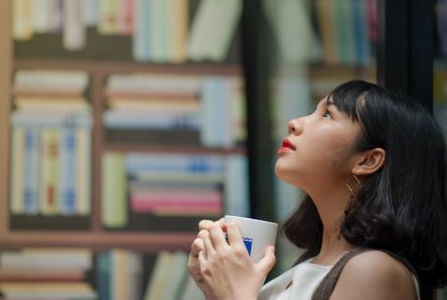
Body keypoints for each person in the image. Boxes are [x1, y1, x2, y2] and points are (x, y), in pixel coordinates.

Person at [187, 80, 447, 300]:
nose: (294, 123)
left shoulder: (374, 271)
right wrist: (219, 289)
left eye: (327, 114)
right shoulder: (308, 265)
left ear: (367, 160)